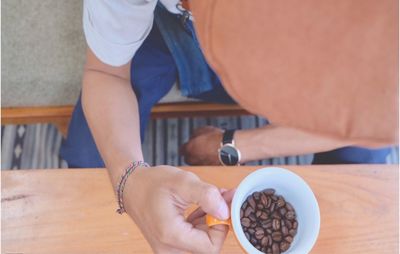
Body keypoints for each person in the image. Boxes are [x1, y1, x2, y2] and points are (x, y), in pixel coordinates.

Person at [60, 0, 390, 252]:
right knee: (88, 158)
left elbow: (380, 111)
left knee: (365, 169)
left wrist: (232, 146)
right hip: (166, 30)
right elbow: (105, 75)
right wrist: (128, 179)